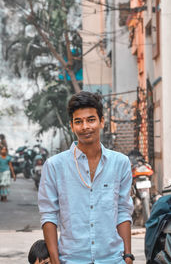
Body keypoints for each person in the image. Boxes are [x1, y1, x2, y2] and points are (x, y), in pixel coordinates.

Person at [38, 91, 134, 264]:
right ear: (72, 126)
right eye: (78, 121)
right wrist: (55, 260)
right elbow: (49, 216)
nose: (85, 127)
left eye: (91, 120)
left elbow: (123, 210)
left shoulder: (120, 163)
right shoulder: (54, 166)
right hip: (71, 259)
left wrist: (127, 256)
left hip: (112, 259)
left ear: (102, 121)